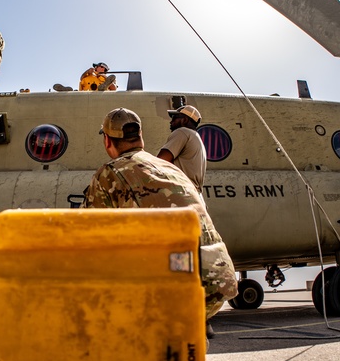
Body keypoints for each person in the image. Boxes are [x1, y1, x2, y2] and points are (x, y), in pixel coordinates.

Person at [83, 108, 237, 323]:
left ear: (107, 141)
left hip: (175, 284)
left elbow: (88, 235)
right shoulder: (172, 169)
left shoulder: (110, 172)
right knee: (180, 341)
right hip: (219, 279)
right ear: (141, 138)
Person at [157, 105, 206, 191]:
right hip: (194, 194)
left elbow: (159, 162)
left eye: (174, 118)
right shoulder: (195, 137)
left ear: (185, 120)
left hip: (181, 191)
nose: (171, 122)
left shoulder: (182, 132)